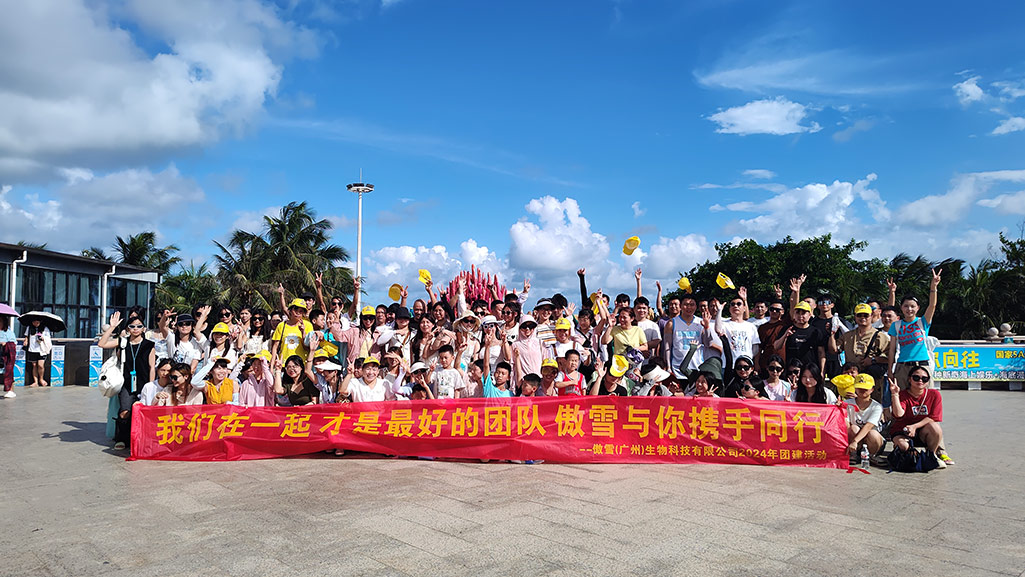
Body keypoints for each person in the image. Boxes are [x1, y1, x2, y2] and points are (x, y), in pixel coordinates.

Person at [97, 311, 156, 450]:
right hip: (126, 383)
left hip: (144, 382)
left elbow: (152, 367)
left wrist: (151, 385)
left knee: (143, 411)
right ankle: (122, 438)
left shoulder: (149, 345)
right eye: (132, 326)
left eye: (139, 326)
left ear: (143, 328)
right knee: (125, 411)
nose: (136, 329)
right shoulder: (122, 342)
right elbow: (102, 343)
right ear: (128, 328)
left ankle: (141, 438)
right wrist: (112, 327)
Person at [887, 269, 942, 391]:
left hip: (921, 365)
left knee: (925, 398)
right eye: (906, 306)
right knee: (901, 400)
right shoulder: (896, 325)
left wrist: (933, 286)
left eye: (912, 306)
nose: (909, 309)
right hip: (902, 367)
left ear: (918, 308)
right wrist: (890, 370)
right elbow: (892, 350)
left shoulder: (922, 322)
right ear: (901, 308)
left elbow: (932, 305)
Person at [889, 367, 954, 467]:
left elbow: (933, 417)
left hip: (923, 430)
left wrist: (915, 426)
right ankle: (905, 451)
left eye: (924, 379)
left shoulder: (934, 394)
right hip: (903, 430)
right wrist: (895, 395)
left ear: (928, 381)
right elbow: (898, 414)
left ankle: (931, 455)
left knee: (935, 428)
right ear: (909, 379)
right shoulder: (903, 394)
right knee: (903, 445)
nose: (920, 381)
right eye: (916, 378)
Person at [829, 303, 890, 392]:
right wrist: (832, 334)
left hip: (870, 380)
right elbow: (834, 350)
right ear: (855, 316)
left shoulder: (880, 336)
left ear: (871, 316)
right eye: (859, 315)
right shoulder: (847, 335)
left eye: (866, 315)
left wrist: (873, 360)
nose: (862, 318)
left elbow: (889, 357)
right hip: (850, 380)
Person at [774, 302, 825, 376]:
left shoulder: (816, 332)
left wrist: (822, 370)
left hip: (810, 370)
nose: (800, 316)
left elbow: (821, 353)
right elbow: (776, 346)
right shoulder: (787, 329)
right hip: (791, 370)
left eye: (803, 313)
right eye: (798, 313)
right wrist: (785, 336)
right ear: (794, 314)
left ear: (810, 315)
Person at [844, 374, 884, 462]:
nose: (862, 390)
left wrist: (855, 441)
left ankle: (873, 454)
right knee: (853, 428)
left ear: (872, 389)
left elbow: (869, 426)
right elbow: (845, 424)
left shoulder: (877, 406)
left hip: (870, 439)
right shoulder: (846, 403)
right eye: (859, 387)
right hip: (855, 437)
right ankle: (853, 453)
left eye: (866, 388)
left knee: (872, 433)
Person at [714, 294, 761, 368]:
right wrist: (719, 311)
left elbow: (755, 347)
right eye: (732, 304)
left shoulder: (751, 326)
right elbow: (718, 329)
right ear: (729, 309)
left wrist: (748, 356)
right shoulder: (725, 324)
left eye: (739, 304)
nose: (735, 306)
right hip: (728, 365)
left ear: (744, 308)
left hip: (746, 366)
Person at [271, 298, 315, 365]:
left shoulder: (308, 325)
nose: (297, 313)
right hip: (283, 364)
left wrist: (303, 332)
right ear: (290, 310)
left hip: (301, 365)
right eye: (295, 310)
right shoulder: (281, 325)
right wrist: (271, 365)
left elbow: (307, 347)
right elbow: (275, 347)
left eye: (301, 311)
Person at [756, 300, 788, 376]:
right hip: (766, 363)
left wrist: (796, 292)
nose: (774, 311)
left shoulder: (786, 324)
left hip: (782, 363)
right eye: (772, 309)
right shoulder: (762, 327)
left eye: (777, 310)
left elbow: (793, 308)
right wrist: (756, 363)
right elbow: (759, 348)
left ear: (782, 311)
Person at [23, 317, 52, 387]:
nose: (35, 324)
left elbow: (48, 338)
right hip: (32, 349)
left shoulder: (45, 329)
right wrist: (26, 340)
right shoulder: (29, 328)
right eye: (34, 322)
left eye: (37, 322)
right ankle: (35, 381)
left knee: (40, 365)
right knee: (34, 365)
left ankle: (41, 379)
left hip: (41, 349)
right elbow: (26, 336)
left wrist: (43, 338)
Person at [0, 316, 17, 398]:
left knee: (8, 372)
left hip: (5, 356)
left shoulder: (9, 333)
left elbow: (13, 344)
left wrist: (5, 344)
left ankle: (10, 390)